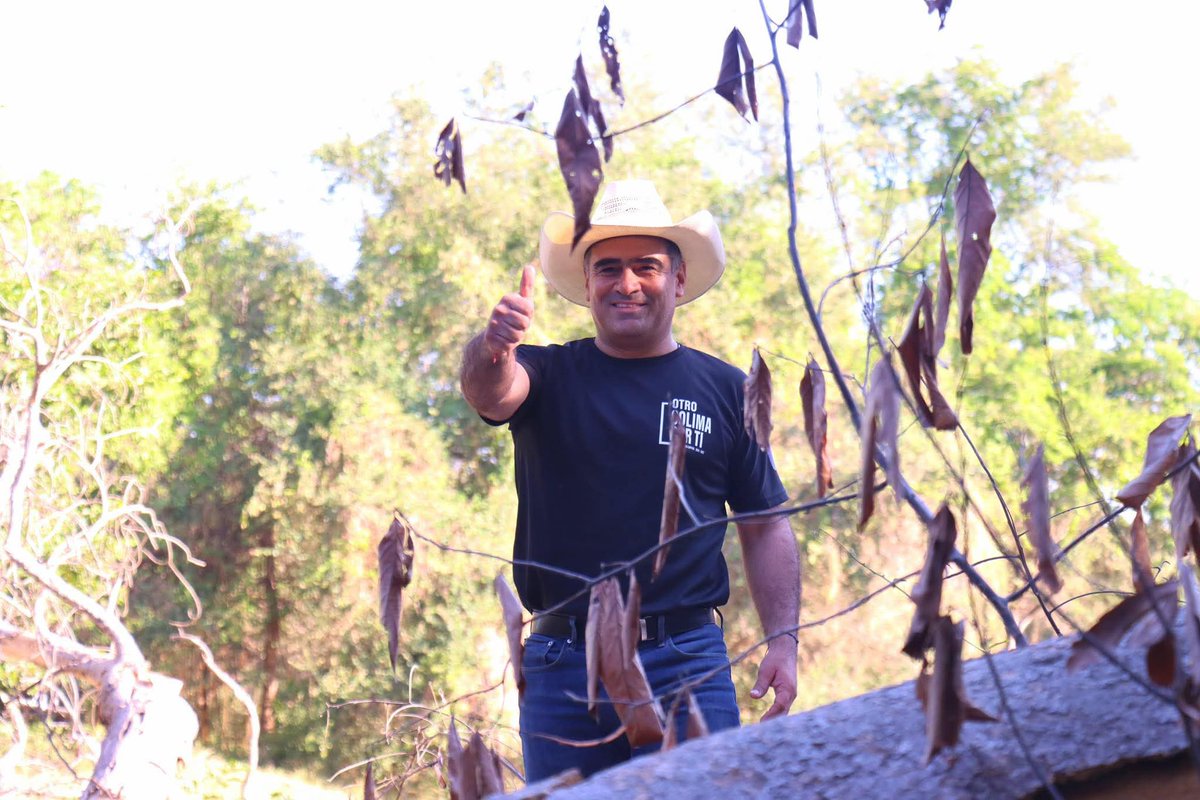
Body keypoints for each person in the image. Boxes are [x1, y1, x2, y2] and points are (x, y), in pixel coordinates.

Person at [459, 179, 800, 781]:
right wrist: (492, 347)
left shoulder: (726, 391)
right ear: (587, 284)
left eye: (647, 266)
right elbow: (491, 390)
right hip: (565, 662)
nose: (627, 284)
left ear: (679, 280)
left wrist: (784, 642)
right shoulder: (545, 373)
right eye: (608, 268)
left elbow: (766, 525)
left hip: (687, 661)